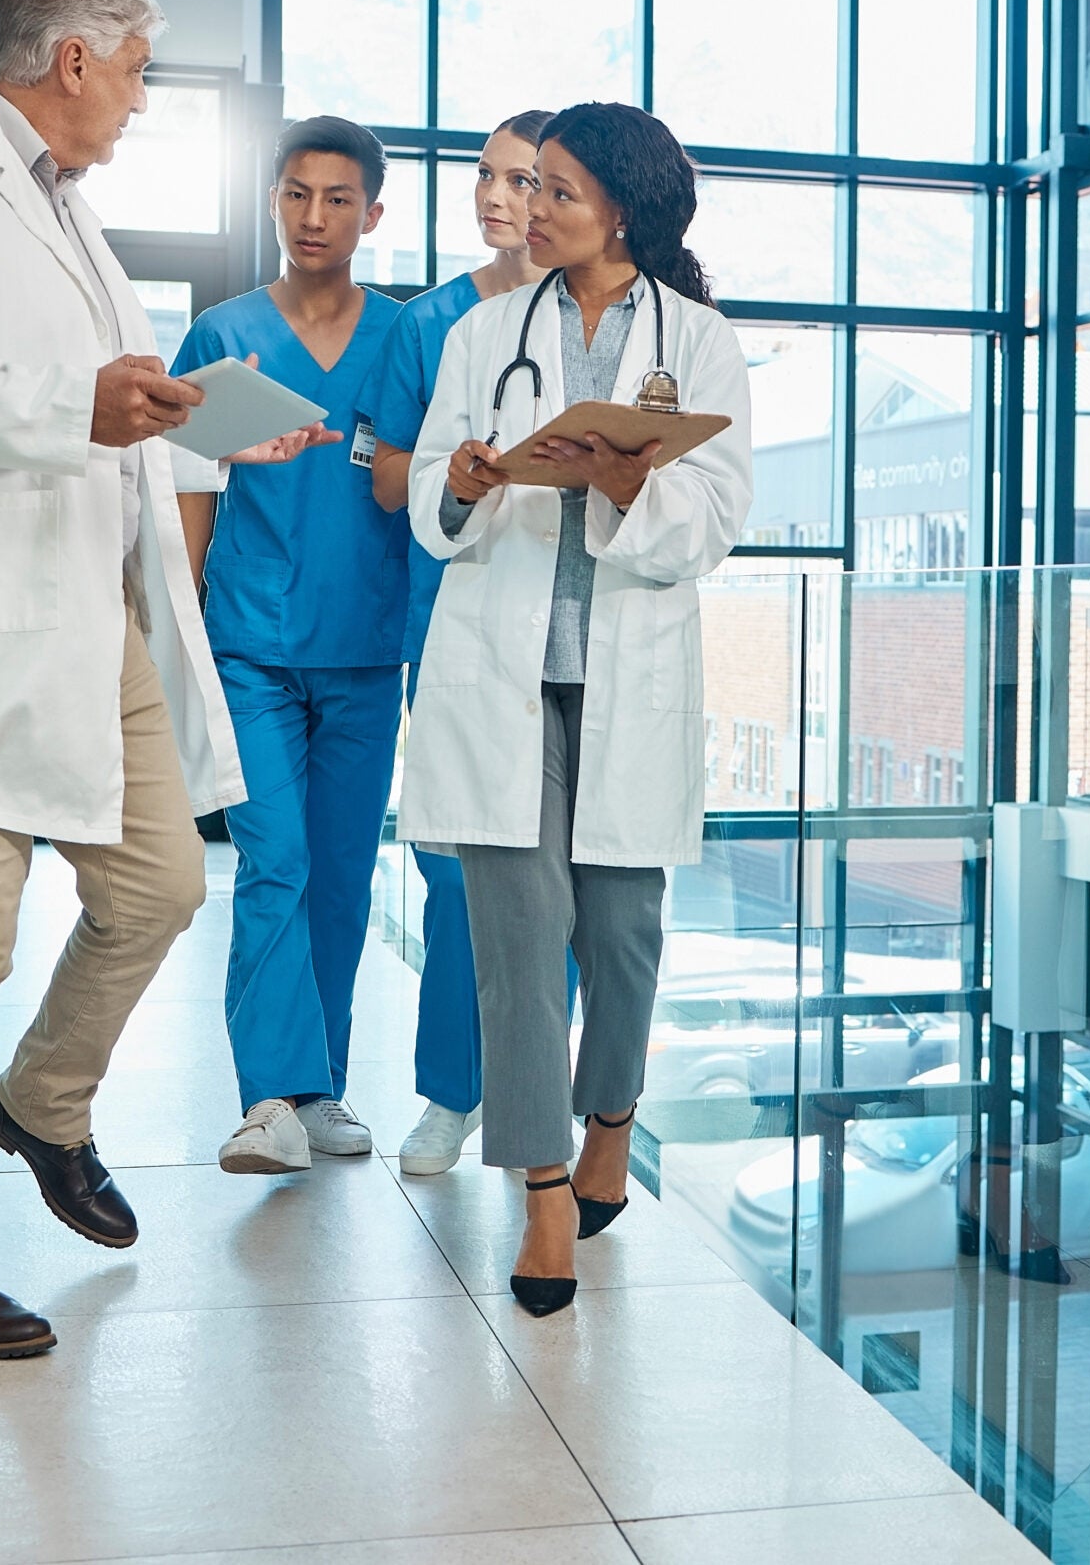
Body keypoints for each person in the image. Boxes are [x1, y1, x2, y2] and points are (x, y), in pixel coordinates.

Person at [0, 0, 333, 1358]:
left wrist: (207, 422)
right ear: (76, 61)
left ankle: (40, 1103)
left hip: (91, 622)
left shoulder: (65, 215)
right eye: (141, 69)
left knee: (161, 885)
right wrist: (71, 407)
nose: (144, 101)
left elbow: (106, 410)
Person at [402, 103, 754, 1315]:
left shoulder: (699, 341)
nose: (530, 209)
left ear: (624, 209)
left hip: (627, 672)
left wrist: (619, 482)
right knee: (515, 942)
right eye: (531, 186)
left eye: (556, 192)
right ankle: (544, 1190)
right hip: (500, 665)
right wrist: (455, 486)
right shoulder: (484, 332)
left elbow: (710, 520)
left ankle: (612, 1117)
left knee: (618, 935)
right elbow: (433, 511)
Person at [175, 117, 408, 1174]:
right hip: (250, 647)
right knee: (278, 859)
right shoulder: (222, 334)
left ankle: (319, 1091)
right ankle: (265, 1097)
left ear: (371, 212)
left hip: (365, 646)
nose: (315, 217)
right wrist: (178, 624)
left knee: (343, 876)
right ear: (272, 199)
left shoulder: (403, 340)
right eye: (297, 195)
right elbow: (183, 488)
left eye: (338, 199)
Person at [359, 109, 552, 1176]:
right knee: (453, 869)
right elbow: (390, 478)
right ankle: (451, 1092)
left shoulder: (598, 318)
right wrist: (467, 471)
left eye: (521, 178)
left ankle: (539, 1102)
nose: (494, 196)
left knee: (559, 880)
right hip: (451, 621)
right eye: (485, 174)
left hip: (563, 626)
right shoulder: (425, 323)